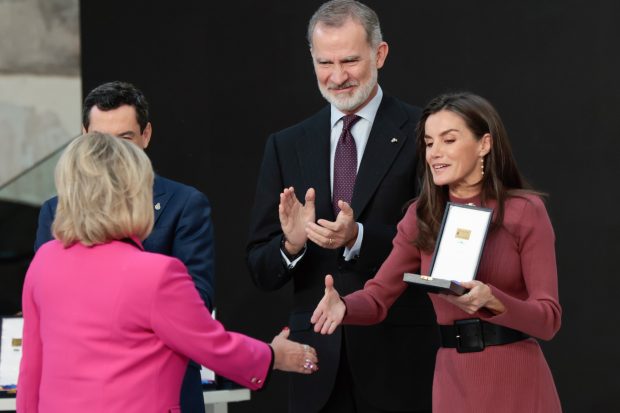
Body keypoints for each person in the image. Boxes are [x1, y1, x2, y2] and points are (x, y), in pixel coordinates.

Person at [17, 133, 319, 413]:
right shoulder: (155, 273)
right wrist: (275, 355)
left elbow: (30, 371)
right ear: (134, 193)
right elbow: (212, 345)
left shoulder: (45, 261)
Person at [311, 92, 563, 412]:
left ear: (484, 144)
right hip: (452, 382)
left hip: (516, 379)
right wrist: (343, 307)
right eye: (429, 143)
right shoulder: (421, 216)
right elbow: (377, 298)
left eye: (449, 140)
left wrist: (492, 299)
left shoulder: (525, 211)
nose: (435, 154)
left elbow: (548, 320)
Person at [246, 1, 437, 412]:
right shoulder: (286, 145)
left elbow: (434, 248)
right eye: (324, 62)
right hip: (316, 362)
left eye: (350, 60)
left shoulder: (424, 133)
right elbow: (260, 269)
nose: (337, 76)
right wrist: (291, 246)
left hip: (400, 359)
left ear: (380, 54)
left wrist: (359, 237)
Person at [33, 81, 214, 412]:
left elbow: (198, 302)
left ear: (146, 136)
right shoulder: (55, 210)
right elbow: (47, 307)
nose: (112, 155)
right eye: (101, 140)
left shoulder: (185, 203)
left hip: (164, 390)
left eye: (125, 140)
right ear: (84, 136)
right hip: (80, 392)